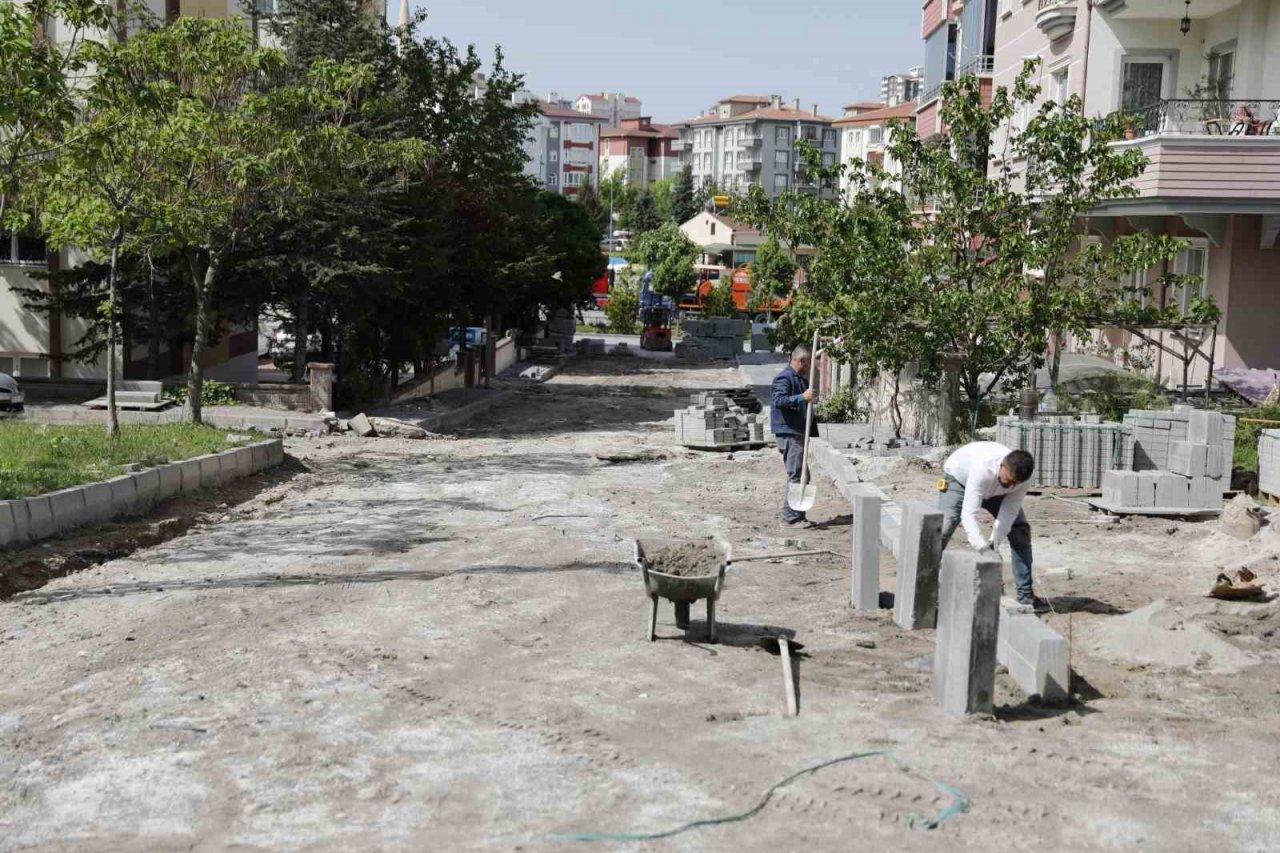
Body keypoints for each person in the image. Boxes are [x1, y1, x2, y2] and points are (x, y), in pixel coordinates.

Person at [938, 441, 1048, 613]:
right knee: (944, 527)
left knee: (1020, 530)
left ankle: (1026, 595)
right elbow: (968, 514)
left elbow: (1009, 512)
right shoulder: (982, 468)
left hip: (995, 491)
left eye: (1015, 483)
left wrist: (993, 543)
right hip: (959, 480)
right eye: (1009, 480)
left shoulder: (1020, 481)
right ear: (1002, 465)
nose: (1011, 485)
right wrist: (982, 547)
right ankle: (925, 588)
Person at [771, 344, 819, 526]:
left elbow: (803, 398)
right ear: (801, 361)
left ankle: (798, 514)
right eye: (808, 364)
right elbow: (778, 400)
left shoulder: (799, 378)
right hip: (788, 433)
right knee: (797, 474)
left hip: (796, 432)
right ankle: (791, 516)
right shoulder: (784, 377)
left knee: (803, 474)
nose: (810, 369)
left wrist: (809, 398)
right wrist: (802, 397)